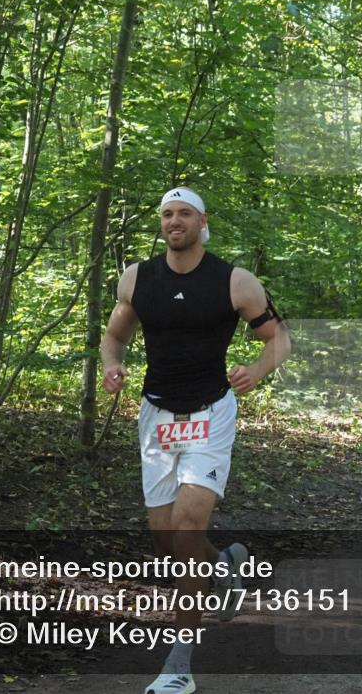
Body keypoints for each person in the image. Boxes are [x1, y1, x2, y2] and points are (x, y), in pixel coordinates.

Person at [101, 187, 291, 694]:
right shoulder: (138, 278)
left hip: (209, 413)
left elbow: (279, 338)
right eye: (167, 214)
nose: (174, 221)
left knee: (187, 530)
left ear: (202, 220)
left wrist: (257, 369)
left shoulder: (235, 281)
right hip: (156, 416)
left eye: (184, 213)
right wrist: (112, 363)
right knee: (168, 544)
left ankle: (178, 665)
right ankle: (226, 565)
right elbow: (114, 335)